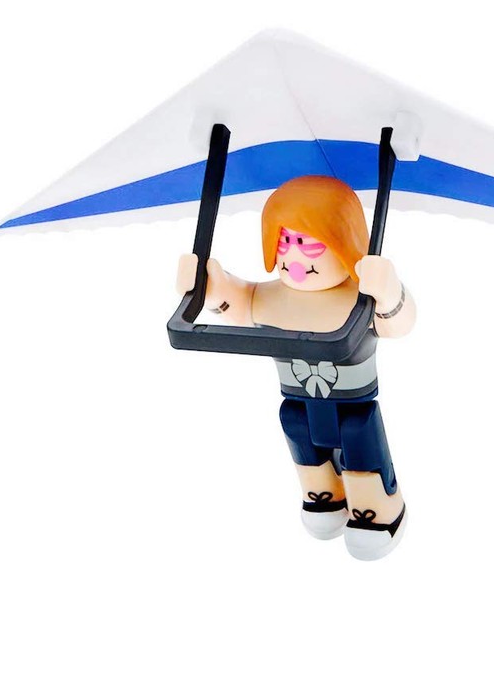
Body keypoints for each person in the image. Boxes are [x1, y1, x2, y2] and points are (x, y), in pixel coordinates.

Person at [176, 175, 416, 560]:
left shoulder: (361, 298)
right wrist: (209, 286)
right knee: (295, 423)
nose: (296, 258)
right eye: (285, 242)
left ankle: (378, 508)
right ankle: (322, 493)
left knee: (358, 433)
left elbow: (400, 322)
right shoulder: (271, 296)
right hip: (297, 397)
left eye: (309, 243)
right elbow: (240, 301)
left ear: (345, 239)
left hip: (352, 400)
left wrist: (388, 292)